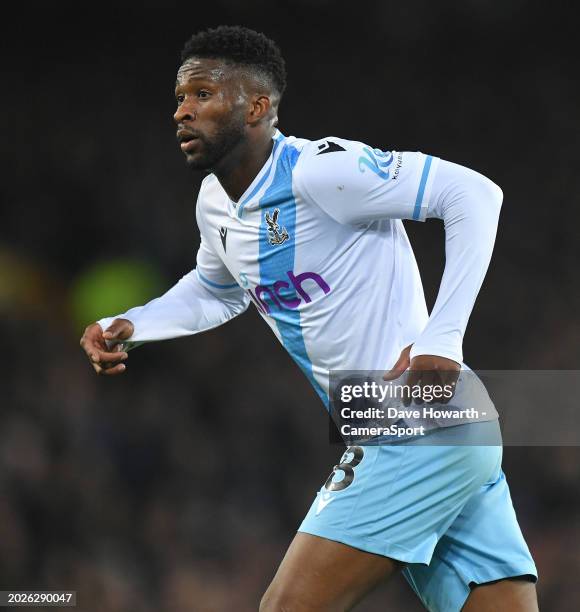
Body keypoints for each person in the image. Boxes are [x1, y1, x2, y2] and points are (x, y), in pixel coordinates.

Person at [80, 25, 538, 612]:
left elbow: (475, 195)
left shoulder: (322, 171)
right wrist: (135, 323)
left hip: (413, 415)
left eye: (201, 95)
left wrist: (443, 336)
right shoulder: (214, 205)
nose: (182, 112)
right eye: (179, 98)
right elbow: (218, 289)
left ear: (257, 106)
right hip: (440, 427)